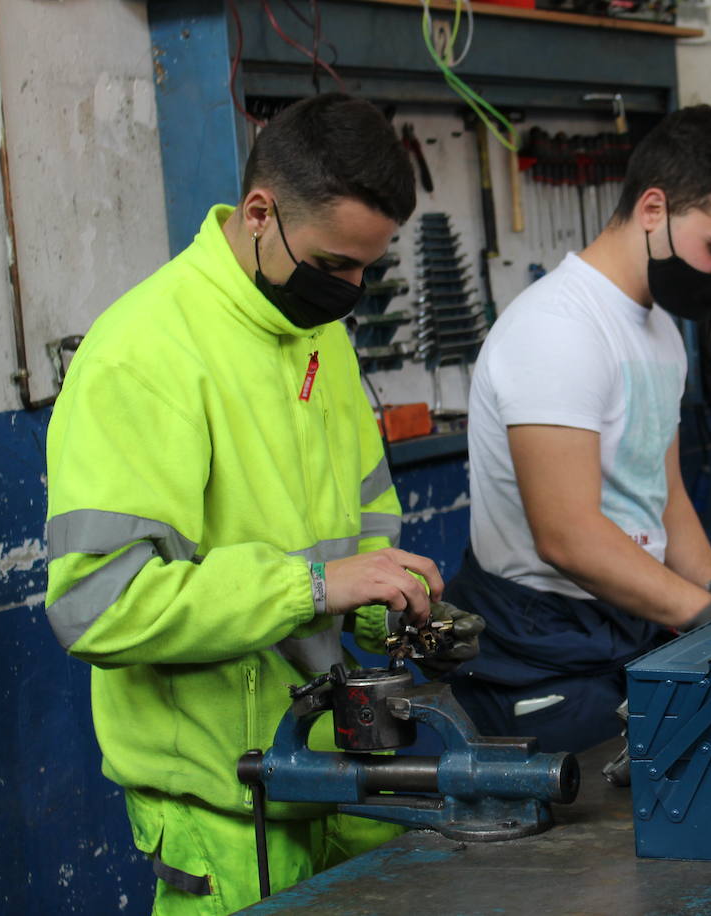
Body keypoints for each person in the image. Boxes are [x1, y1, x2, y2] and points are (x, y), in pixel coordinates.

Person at [45, 94, 481, 915]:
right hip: (232, 813)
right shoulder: (143, 354)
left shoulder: (318, 337)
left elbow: (362, 539)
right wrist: (313, 588)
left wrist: (397, 611)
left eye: (366, 269)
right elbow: (98, 609)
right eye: (334, 266)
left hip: (350, 781)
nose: (350, 292)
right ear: (258, 212)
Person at [442, 105, 711, 754]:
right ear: (653, 210)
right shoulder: (558, 330)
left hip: (626, 622)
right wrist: (704, 619)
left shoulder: (660, 331)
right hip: (541, 649)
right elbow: (566, 535)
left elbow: (664, 493)